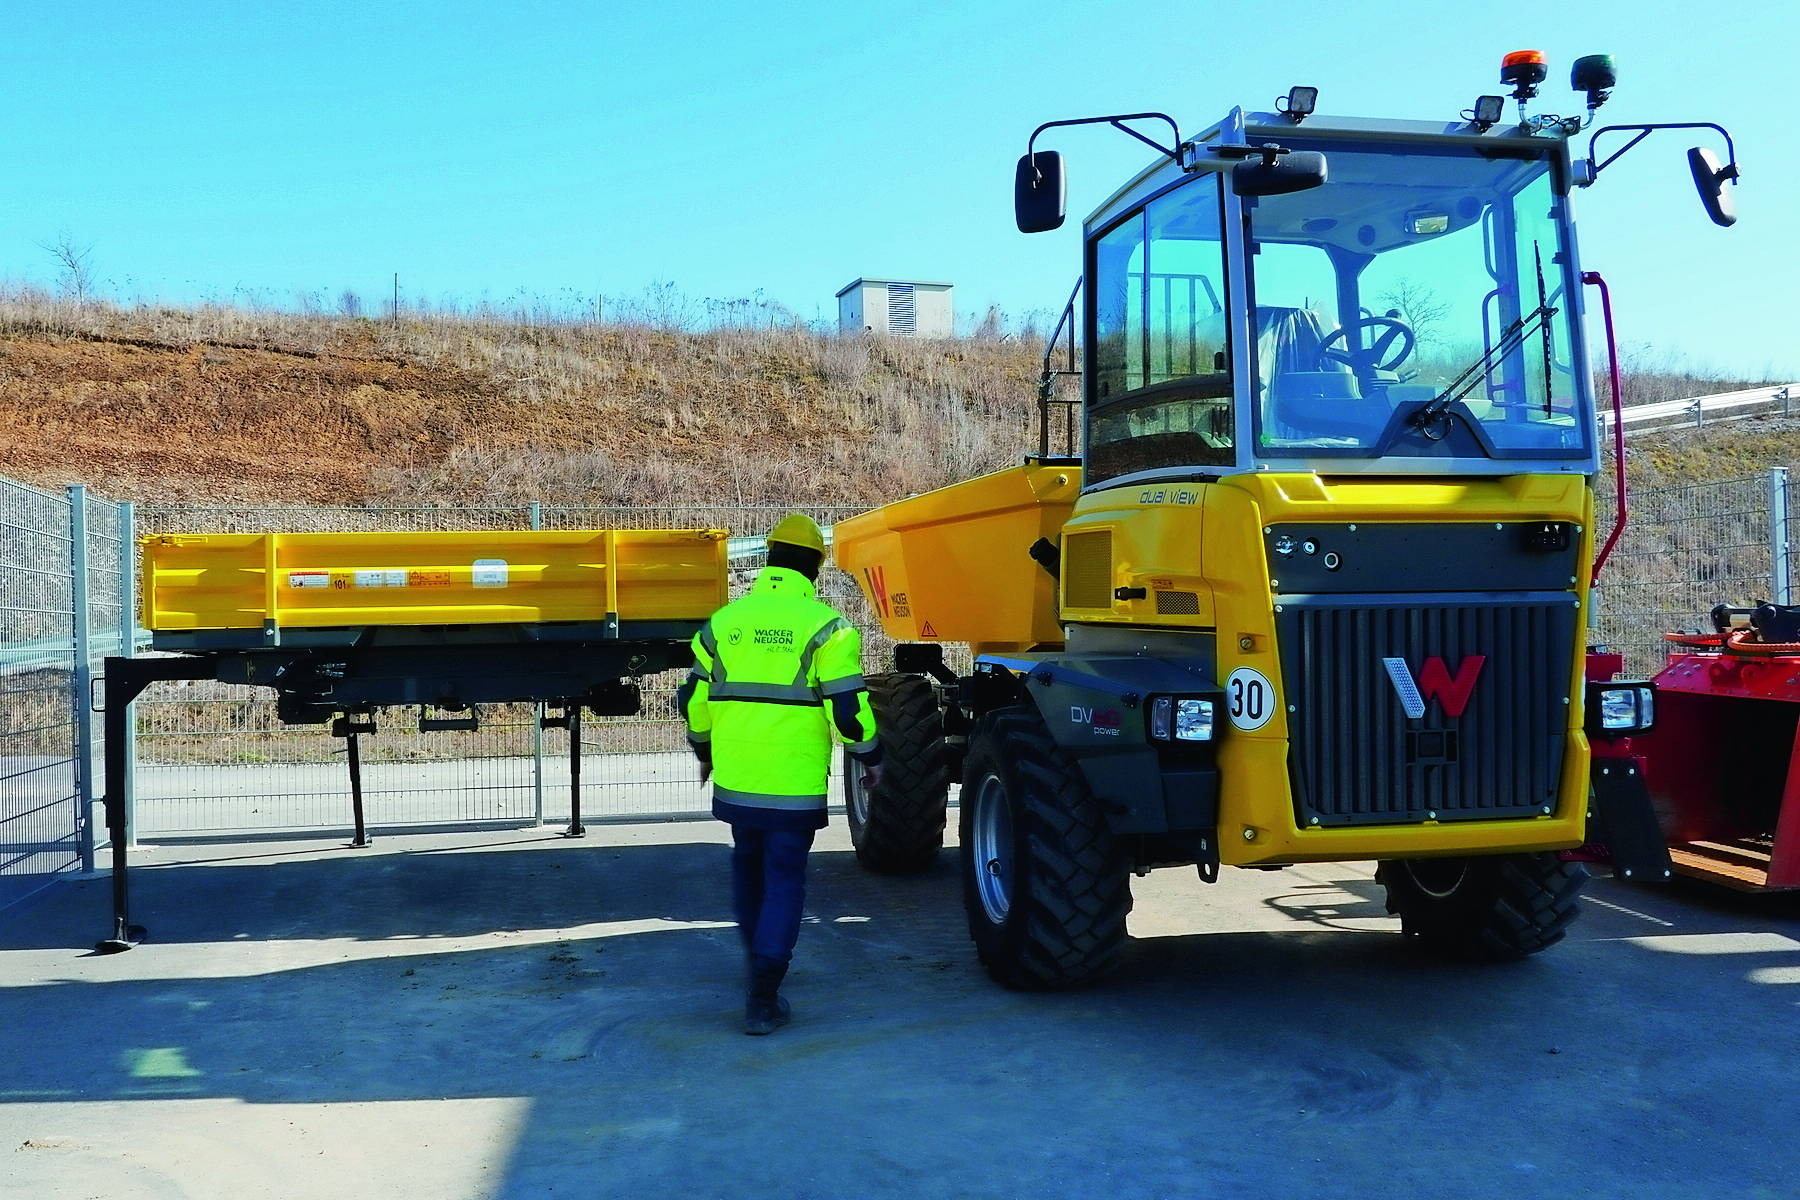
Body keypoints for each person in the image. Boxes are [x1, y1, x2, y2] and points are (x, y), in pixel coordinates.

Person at [678, 513, 882, 1035]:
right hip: (791, 786)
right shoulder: (827, 629)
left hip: (738, 780)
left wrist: (704, 751)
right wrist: (872, 755)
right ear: (815, 567)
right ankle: (764, 995)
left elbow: (694, 701)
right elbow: (848, 712)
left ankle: (757, 969)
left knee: (747, 864)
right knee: (785, 874)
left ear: (769, 558)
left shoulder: (723, 623)